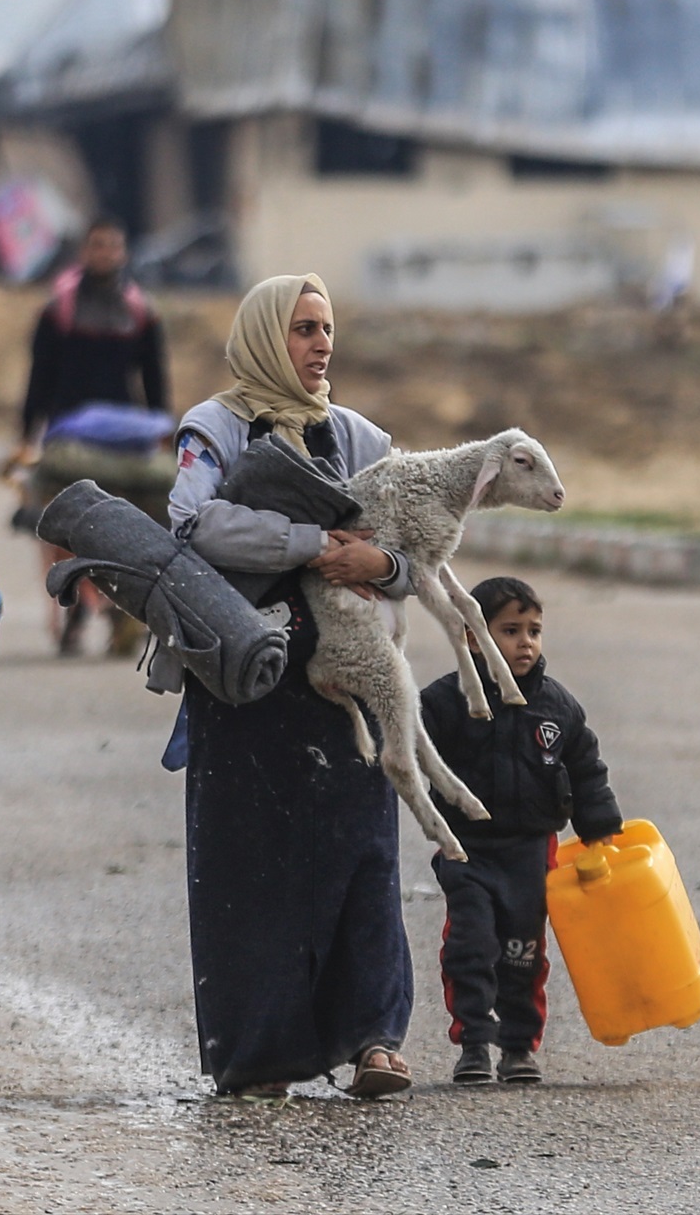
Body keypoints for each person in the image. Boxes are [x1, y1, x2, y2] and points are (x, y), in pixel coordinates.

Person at [164, 274, 416, 1100]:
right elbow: (194, 522)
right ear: (268, 336)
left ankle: (375, 1040)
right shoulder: (215, 429)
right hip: (245, 683)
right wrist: (311, 543)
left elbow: (417, 548)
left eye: (328, 328)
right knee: (250, 871)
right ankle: (259, 1054)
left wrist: (377, 563)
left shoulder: (361, 439)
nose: (320, 345)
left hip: (347, 683)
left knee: (366, 857)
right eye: (303, 329)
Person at [419, 577, 624, 1086]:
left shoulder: (557, 706)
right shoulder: (444, 702)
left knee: (522, 952)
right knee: (471, 946)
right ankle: (472, 1042)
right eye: (510, 630)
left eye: (534, 630)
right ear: (471, 636)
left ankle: (518, 1047)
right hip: (466, 850)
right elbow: (403, 738)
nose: (525, 642)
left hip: (532, 852)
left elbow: (586, 769)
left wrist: (600, 831)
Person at [17, 216, 170, 656]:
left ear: (122, 253)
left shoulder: (141, 312)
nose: (104, 254)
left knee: (126, 531)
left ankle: (121, 614)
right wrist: (28, 435)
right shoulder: (58, 310)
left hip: (124, 442)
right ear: (85, 251)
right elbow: (39, 377)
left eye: (112, 246)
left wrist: (161, 433)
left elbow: (156, 380)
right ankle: (76, 610)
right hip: (68, 439)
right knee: (68, 535)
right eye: (96, 245)